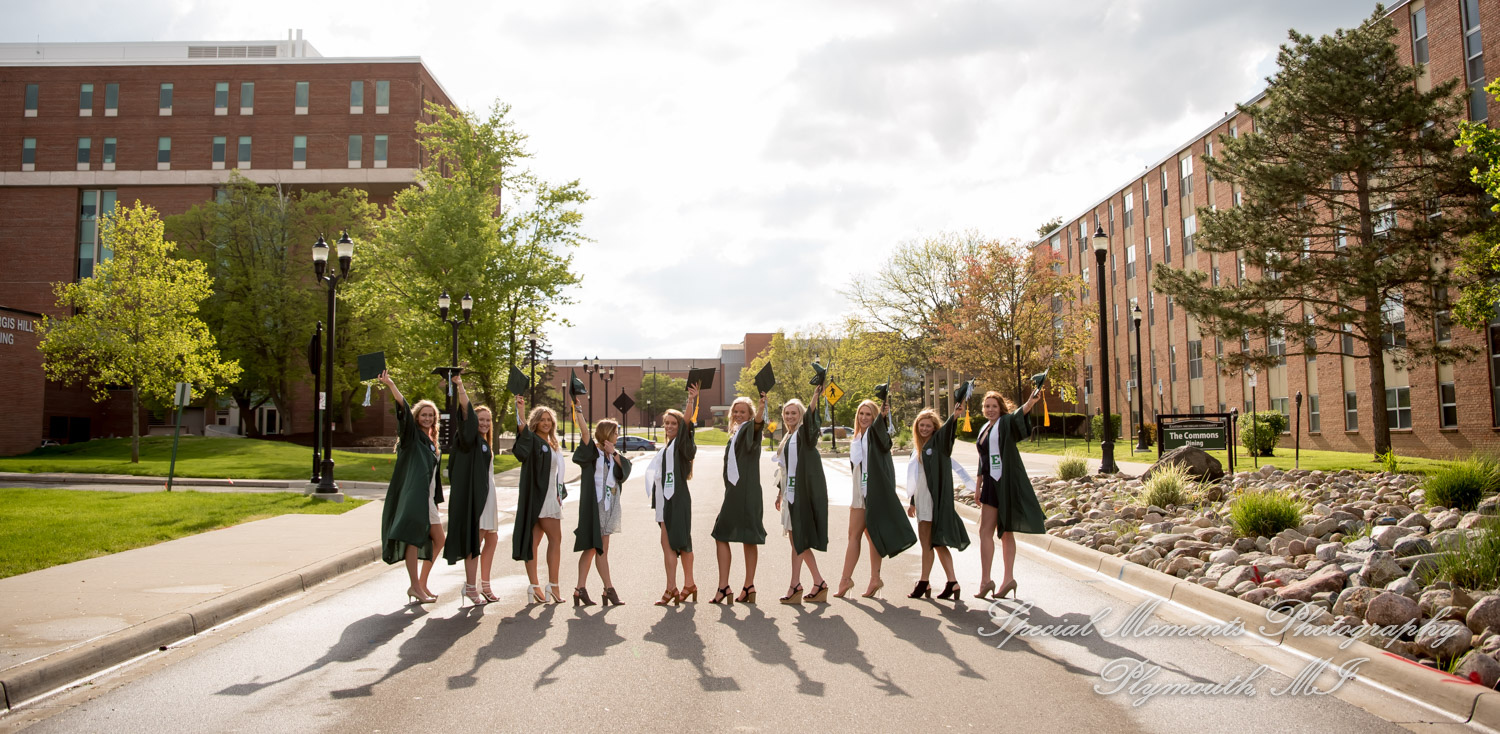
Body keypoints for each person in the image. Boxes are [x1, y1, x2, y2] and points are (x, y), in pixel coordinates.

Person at [834, 398, 916, 599]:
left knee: (855, 535)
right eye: (861, 414)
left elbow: (884, 438)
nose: (863, 417)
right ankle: (874, 579)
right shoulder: (858, 437)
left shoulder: (875, 435)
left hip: (872, 492)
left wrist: (883, 417)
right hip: (859, 491)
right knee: (870, 536)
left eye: (868, 414)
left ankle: (847, 579)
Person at [376, 370, 446, 604]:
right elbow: (403, 410)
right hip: (415, 497)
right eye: (423, 415)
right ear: (417, 418)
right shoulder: (411, 437)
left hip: (428, 500)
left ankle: (421, 584)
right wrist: (392, 386)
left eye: (431, 415)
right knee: (414, 539)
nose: (427, 418)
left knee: (439, 539)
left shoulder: (432, 443)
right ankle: (415, 586)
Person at [973, 389, 1046, 600]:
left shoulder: (1005, 424)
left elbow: (1018, 417)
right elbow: (982, 459)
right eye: (987, 406)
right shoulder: (985, 429)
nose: (990, 410)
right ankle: (990, 579)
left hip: (1004, 483)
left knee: (1002, 531)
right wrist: (978, 485)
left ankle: (1003, 579)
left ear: (1001, 408)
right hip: (990, 483)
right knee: (988, 531)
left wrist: (1030, 403)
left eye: (994, 406)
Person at [445, 374, 500, 607]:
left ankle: (484, 583)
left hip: (489, 494)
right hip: (477, 496)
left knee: (492, 537)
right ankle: (470, 586)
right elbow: (465, 413)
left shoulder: (485, 442)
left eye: (488, 420)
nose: (485, 424)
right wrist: (460, 387)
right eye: (481, 420)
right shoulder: (468, 439)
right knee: (474, 540)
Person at [906, 406, 973, 600]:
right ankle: (952, 582)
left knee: (928, 543)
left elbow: (947, 435)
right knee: (933, 543)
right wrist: (912, 501)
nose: (924, 428)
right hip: (920, 499)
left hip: (931, 500)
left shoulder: (938, 445)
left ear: (935, 429)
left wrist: (955, 415)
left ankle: (924, 582)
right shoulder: (917, 448)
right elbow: (916, 477)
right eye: (921, 425)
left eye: (928, 426)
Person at [710, 393, 768, 604]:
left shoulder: (750, 430)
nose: (738, 414)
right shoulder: (736, 433)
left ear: (750, 414)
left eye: (743, 411)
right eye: (735, 411)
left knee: (721, 533)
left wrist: (761, 409)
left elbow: (757, 425)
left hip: (742, 491)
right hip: (742, 491)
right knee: (748, 538)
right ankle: (748, 586)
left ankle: (724, 587)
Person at [645, 384, 700, 605]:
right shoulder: (666, 448)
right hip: (663, 502)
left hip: (676, 499)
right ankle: (685, 585)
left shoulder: (680, 445)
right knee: (671, 544)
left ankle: (675, 588)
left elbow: (687, 424)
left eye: (673, 423)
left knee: (680, 543)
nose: (669, 426)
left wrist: (691, 401)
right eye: (666, 423)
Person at [773, 393, 829, 604]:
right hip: (790, 493)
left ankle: (801, 584)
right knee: (796, 541)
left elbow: (811, 419)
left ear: (801, 415)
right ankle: (813, 583)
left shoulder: (804, 434)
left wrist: (815, 396)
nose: (789, 416)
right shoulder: (789, 436)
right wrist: (780, 492)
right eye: (787, 413)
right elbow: (786, 469)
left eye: (794, 413)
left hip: (801, 494)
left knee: (799, 540)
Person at [512, 394, 568, 604]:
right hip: (542, 496)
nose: (546, 423)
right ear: (535, 422)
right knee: (555, 540)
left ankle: (535, 585)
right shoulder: (533, 439)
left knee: (534, 542)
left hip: (551, 494)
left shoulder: (552, 442)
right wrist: (520, 411)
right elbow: (522, 431)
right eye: (542, 419)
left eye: (549, 420)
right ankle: (552, 585)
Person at [573, 419, 632, 606]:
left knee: (596, 549)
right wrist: (580, 413)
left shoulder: (612, 455)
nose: (617, 436)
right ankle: (608, 589)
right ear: (606, 433)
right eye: (615, 433)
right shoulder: (593, 452)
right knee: (596, 548)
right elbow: (584, 434)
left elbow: (625, 471)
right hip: (596, 505)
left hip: (609, 505)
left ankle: (580, 589)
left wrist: (613, 452)